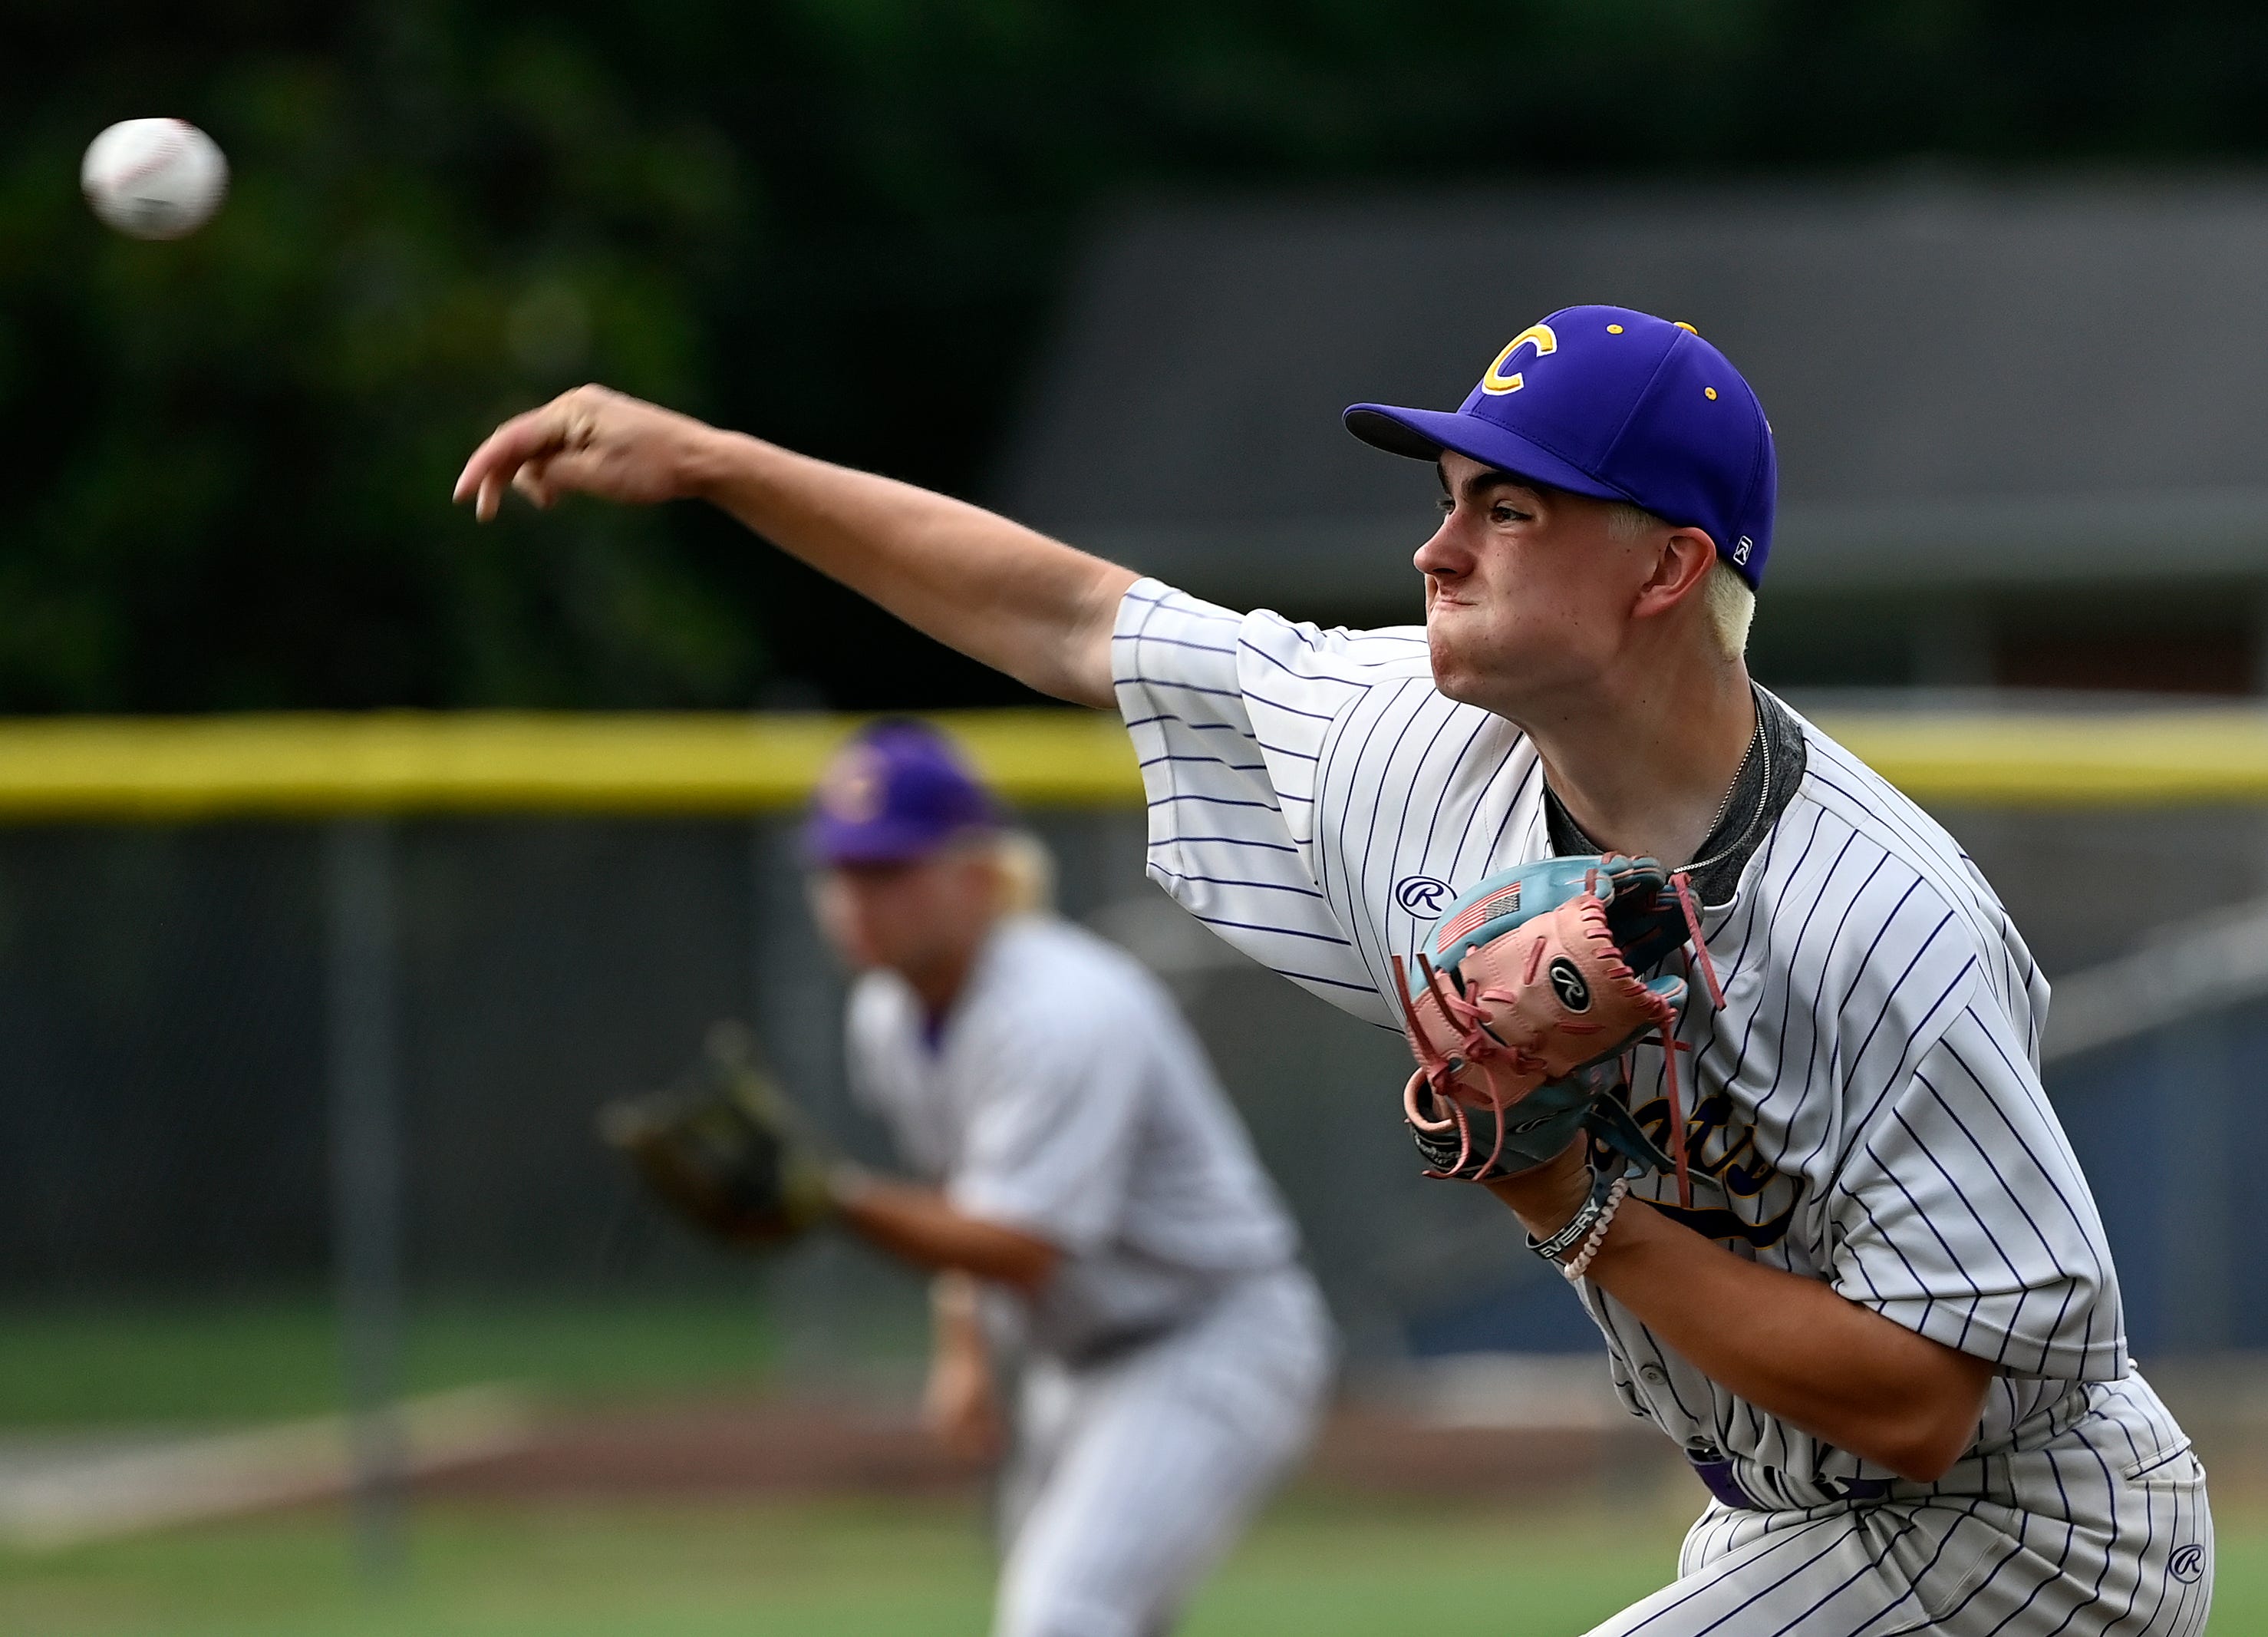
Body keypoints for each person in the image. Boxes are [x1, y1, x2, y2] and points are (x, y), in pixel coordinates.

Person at [455, 302, 2210, 1635]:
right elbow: (1072, 617)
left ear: (1669, 567)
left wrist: (1568, 1203)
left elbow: (1924, 1400)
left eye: (1509, 509)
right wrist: (718, 463)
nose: (1436, 546)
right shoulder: (1401, 740)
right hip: (1777, 1511)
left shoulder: (1879, 916)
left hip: (2021, 1529)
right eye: (1447, 496)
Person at [796, 715, 1330, 1637]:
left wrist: (829, 1199)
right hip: (1074, 1361)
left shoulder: (1063, 1008)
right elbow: (968, 1196)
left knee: (1063, 1617)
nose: (855, 898)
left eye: (887, 869)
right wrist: (964, 1353)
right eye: (840, 871)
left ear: (975, 874)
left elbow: (1021, 1245)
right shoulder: (887, 1016)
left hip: (1206, 1338)